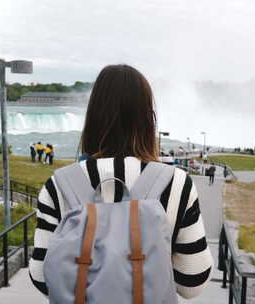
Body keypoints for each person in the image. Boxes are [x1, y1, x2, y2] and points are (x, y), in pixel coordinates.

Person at [29, 64, 213, 300]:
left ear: (92, 117)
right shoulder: (176, 183)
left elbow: (41, 275)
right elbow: (192, 281)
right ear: (149, 119)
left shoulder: (57, 185)